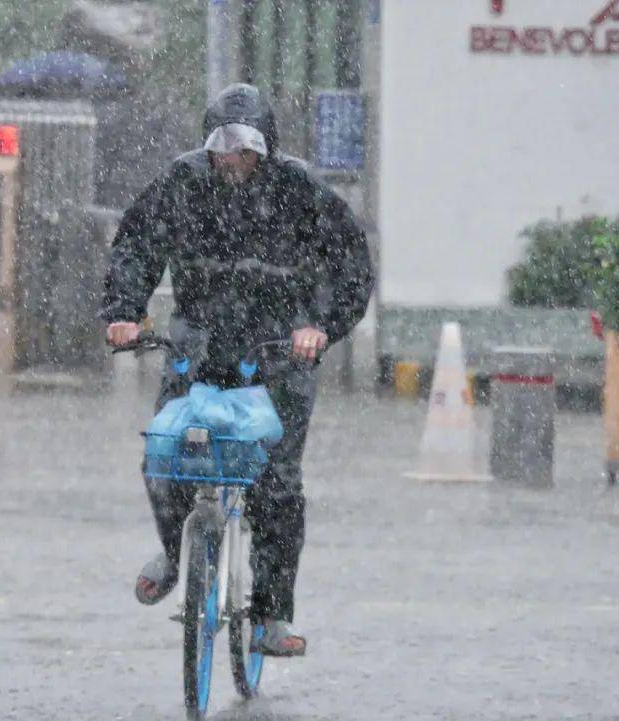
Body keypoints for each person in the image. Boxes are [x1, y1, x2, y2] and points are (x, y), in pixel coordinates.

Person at [101, 83, 374, 656]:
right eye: (223, 147)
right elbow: (137, 245)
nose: (234, 159)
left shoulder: (299, 189)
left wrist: (320, 325)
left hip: (280, 350)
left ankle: (272, 615)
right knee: (165, 456)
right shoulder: (183, 182)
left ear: (266, 148)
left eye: (246, 148)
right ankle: (178, 555)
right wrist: (126, 313)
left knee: (276, 483)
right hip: (199, 341)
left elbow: (348, 259)